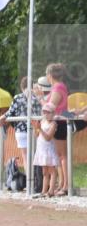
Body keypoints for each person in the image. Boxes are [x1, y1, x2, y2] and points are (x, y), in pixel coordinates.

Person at [0, 76, 40, 173]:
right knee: (36, 156)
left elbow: (10, 112)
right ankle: (38, 180)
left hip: (21, 131)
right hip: (36, 129)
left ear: (22, 87)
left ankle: (29, 180)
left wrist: (2, 117)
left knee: (25, 157)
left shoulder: (18, 97)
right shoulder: (38, 98)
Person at [44, 63, 70, 196]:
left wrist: (38, 97)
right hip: (58, 122)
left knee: (62, 155)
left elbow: (50, 107)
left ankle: (66, 186)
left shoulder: (58, 87)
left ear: (50, 75)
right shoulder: (58, 87)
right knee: (59, 156)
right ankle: (62, 184)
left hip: (59, 122)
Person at [33, 103, 60, 197]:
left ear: (53, 113)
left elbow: (48, 137)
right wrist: (36, 129)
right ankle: (44, 191)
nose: (46, 115)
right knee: (44, 172)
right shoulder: (43, 122)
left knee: (52, 171)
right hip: (41, 149)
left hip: (48, 149)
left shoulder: (53, 124)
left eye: (48, 113)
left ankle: (51, 190)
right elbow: (36, 135)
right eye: (45, 112)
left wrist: (40, 129)